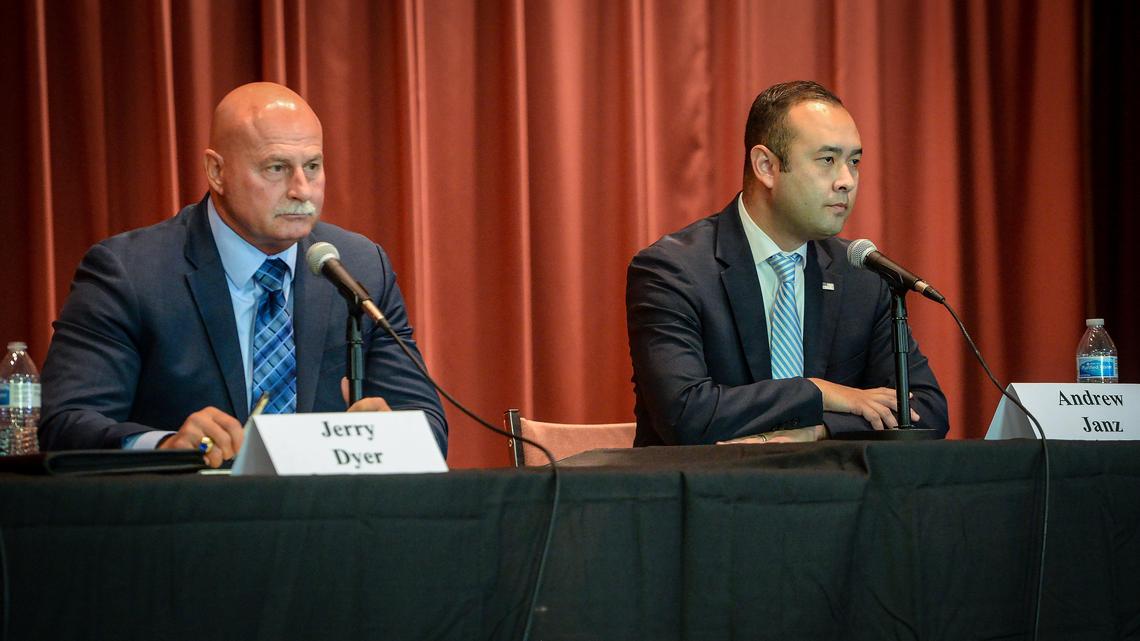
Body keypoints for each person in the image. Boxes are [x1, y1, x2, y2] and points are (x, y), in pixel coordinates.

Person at [39, 82, 447, 465]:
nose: (302, 190)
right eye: (276, 168)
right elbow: (67, 423)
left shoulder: (357, 268)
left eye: (313, 166)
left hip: (326, 524)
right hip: (188, 524)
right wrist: (166, 445)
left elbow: (428, 424)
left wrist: (393, 434)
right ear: (217, 172)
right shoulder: (130, 273)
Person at [626, 80, 948, 446]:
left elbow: (926, 410)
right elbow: (686, 414)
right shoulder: (673, 271)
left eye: (854, 162)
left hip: (833, 498)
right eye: (828, 160)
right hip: (707, 494)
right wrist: (817, 391)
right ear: (766, 166)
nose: (847, 181)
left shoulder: (861, 276)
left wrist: (819, 430)